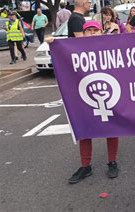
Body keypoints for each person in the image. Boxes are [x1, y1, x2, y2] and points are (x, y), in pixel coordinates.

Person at [48, 21, 120, 184]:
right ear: (83, 33)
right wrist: (52, 43)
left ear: (101, 32)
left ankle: (112, 161)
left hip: (109, 93)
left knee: (112, 128)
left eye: (96, 30)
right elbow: (60, 62)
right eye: (89, 30)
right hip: (84, 96)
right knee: (85, 129)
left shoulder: (111, 46)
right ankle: (85, 166)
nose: (93, 33)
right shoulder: (74, 49)